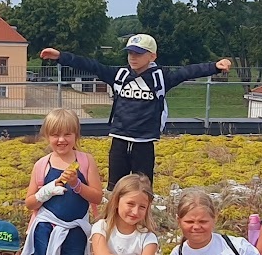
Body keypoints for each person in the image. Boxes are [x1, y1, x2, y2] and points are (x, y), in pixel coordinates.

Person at [40, 34, 232, 188]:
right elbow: (91, 65)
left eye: (139, 53)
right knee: (116, 188)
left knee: (143, 188)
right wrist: (61, 57)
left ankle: (142, 220)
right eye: (130, 53)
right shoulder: (119, 75)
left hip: (144, 142)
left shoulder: (161, 78)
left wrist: (215, 67)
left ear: (152, 56)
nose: (133, 57)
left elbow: (188, 72)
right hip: (119, 139)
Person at [21, 108, 102, 255]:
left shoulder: (85, 161)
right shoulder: (42, 165)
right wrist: (46, 191)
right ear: (47, 136)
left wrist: (77, 184)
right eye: (55, 135)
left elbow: (97, 196)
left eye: (67, 134)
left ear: (76, 135)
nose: (61, 140)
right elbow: (30, 202)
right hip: (46, 227)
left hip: (75, 229)